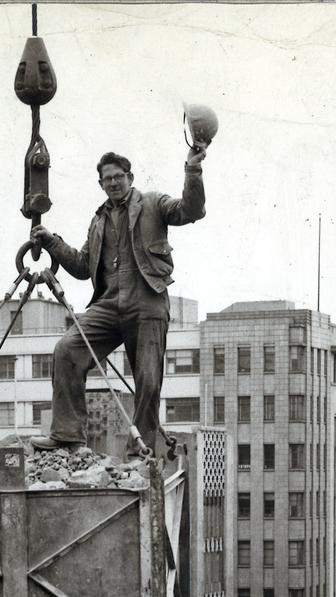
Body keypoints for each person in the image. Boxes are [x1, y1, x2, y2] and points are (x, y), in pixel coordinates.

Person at [30, 146, 207, 456]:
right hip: (109, 305)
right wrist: (52, 242)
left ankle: (139, 453)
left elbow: (191, 211)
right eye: (107, 179)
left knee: (148, 381)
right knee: (67, 350)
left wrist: (192, 170)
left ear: (130, 177)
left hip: (147, 303)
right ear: (100, 184)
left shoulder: (153, 203)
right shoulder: (98, 221)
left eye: (118, 177)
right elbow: (84, 266)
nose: (113, 183)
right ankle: (68, 435)